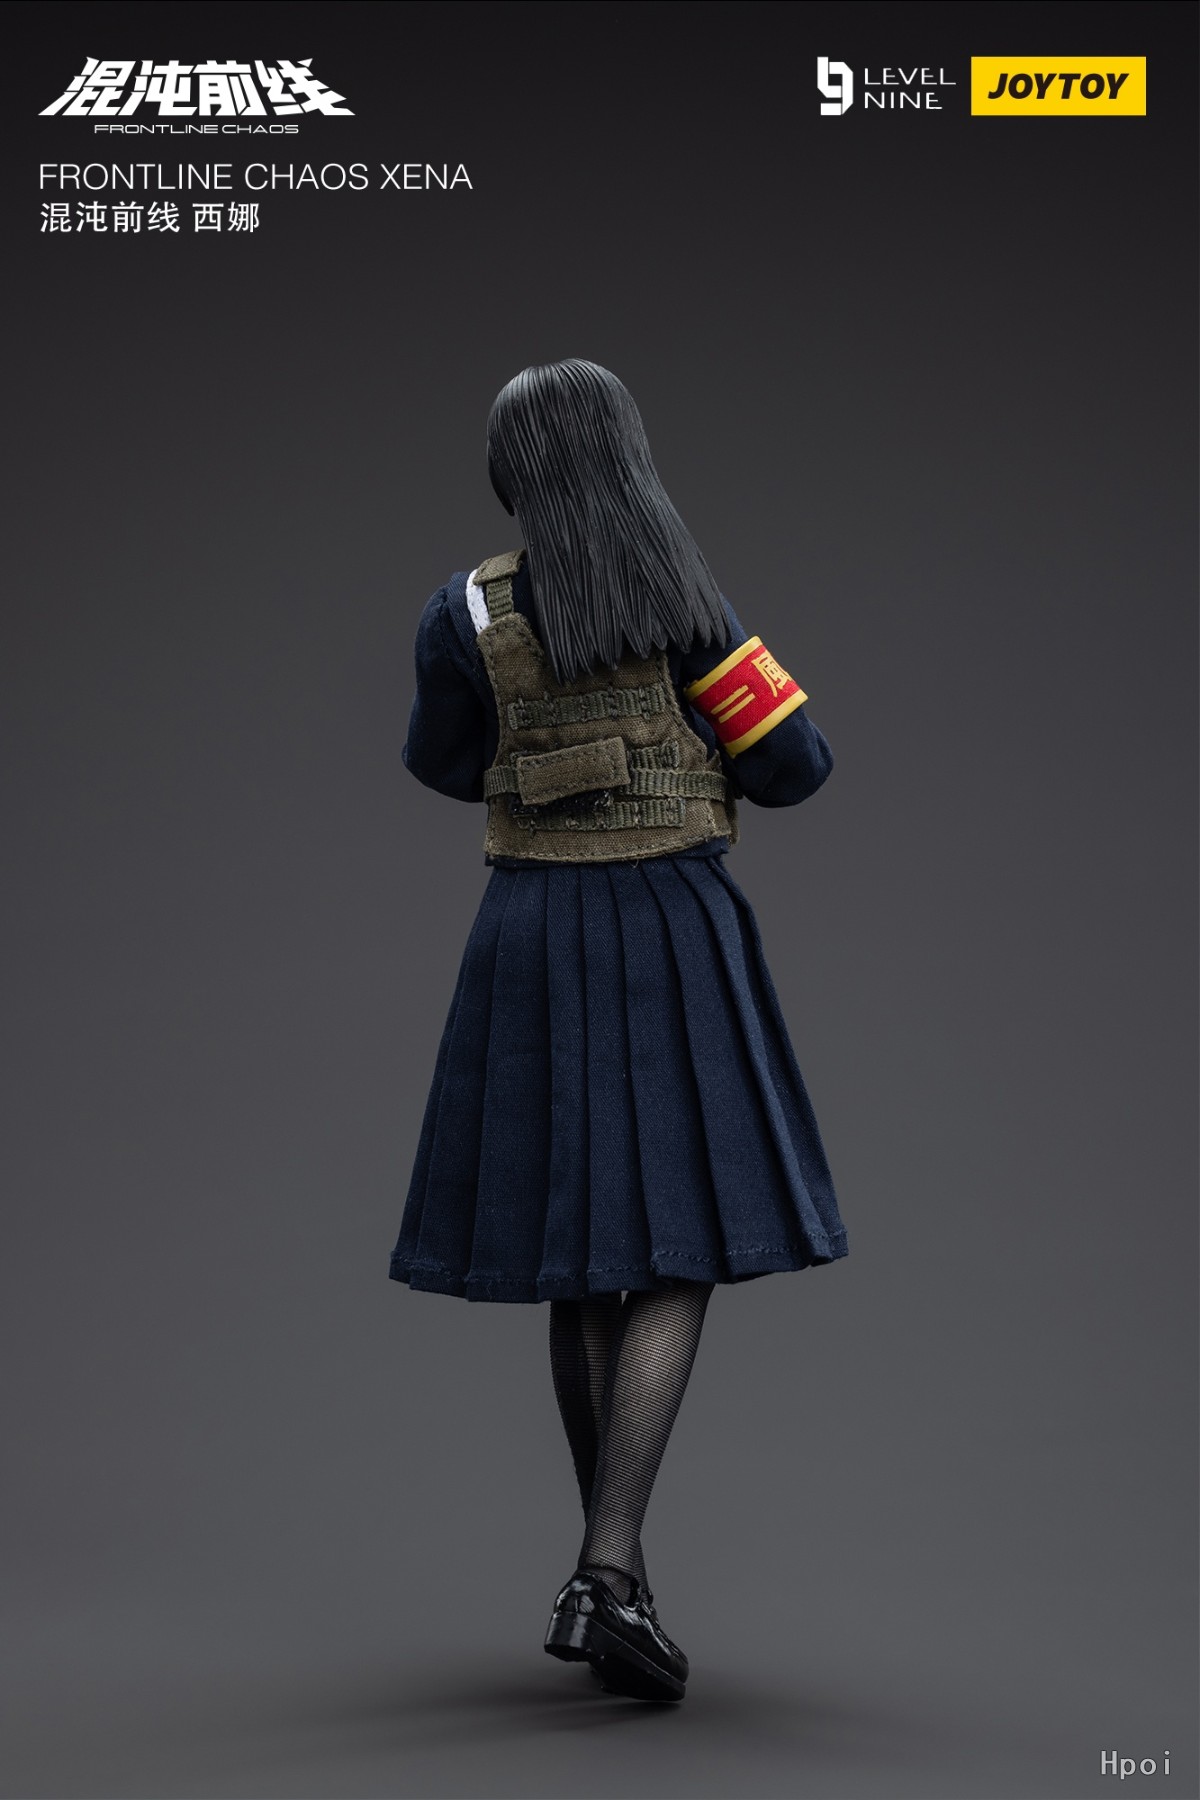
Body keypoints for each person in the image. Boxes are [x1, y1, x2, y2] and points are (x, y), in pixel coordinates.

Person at [390, 359, 848, 1702]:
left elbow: (436, 760)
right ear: (630, 459)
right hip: (668, 930)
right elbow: (797, 767)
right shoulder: (688, 606)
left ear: (512, 476)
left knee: (584, 1254)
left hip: (531, 932)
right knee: (677, 1240)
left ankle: (618, 1581)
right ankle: (605, 1570)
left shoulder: (467, 611)